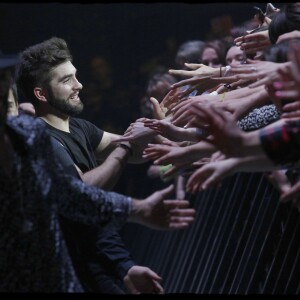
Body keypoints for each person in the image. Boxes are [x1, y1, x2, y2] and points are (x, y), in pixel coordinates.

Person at [0, 52, 195, 293]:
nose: (78, 85)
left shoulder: (29, 134)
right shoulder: (39, 133)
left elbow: (76, 197)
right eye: (66, 79)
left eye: (6, 94)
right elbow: (89, 186)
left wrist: (169, 132)